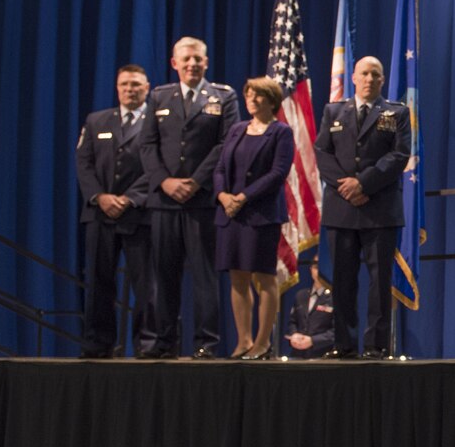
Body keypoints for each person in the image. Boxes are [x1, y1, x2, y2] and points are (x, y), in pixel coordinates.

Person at [139, 36, 241, 358]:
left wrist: (196, 182)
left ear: (206, 62)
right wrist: (164, 182)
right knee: (163, 276)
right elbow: (147, 145)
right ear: (175, 64)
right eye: (186, 60)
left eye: (198, 59)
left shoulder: (223, 97)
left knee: (204, 276)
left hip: (201, 202)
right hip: (164, 202)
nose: (192, 64)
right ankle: (164, 342)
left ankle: (206, 343)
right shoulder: (159, 96)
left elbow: (227, 144)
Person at [315, 55, 411, 358]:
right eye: (364, 74)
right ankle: (342, 344)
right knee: (342, 281)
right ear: (353, 78)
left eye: (376, 75)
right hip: (342, 208)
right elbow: (321, 152)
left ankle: (376, 344)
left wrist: (363, 184)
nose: (369, 79)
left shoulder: (397, 112)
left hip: (379, 208)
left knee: (379, 282)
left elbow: (399, 155)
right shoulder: (334, 111)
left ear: (382, 80)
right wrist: (347, 186)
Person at [74, 64, 157, 358]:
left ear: (147, 88)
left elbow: (161, 165)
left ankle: (147, 344)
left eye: (135, 84)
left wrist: (130, 198)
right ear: (117, 87)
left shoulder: (156, 121)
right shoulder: (96, 121)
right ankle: (98, 342)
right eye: (124, 84)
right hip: (100, 214)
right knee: (99, 282)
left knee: (146, 285)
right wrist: (100, 196)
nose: (129, 89)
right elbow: (83, 164)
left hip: (140, 214)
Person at [212, 76, 296, 361]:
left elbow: (277, 173)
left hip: (261, 214)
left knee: (263, 277)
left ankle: (262, 342)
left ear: (272, 101)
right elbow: (220, 167)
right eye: (249, 94)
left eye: (259, 95)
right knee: (237, 276)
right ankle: (244, 340)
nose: (252, 99)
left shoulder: (281, 132)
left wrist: (243, 197)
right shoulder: (237, 129)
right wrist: (223, 196)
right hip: (231, 213)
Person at [286, 256, 337, 357]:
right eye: (316, 267)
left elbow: (337, 331)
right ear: (311, 269)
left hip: (323, 356)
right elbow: (292, 322)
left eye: (321, 267)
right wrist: (294, 334)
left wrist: (313, 341)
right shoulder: (301, 295)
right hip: (297, 355)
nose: (318, 271)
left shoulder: (335, 297)